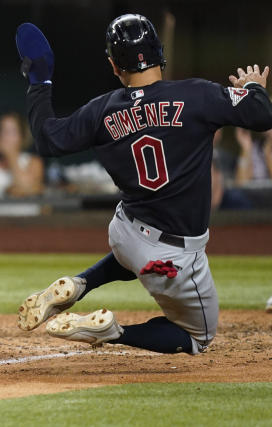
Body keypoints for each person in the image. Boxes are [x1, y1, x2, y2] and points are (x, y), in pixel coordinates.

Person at [15, 15, 272, 355]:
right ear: (159, 53)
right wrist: (253, 86)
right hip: (174, 256)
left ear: (113, 65)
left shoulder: (101, 110)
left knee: (132, 255)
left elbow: (48, 140)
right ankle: (112, 332)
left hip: (125, 232)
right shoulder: (196, 95)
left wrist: (40, 80)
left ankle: (81, 284)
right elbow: (261, 114)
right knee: (198, 338)